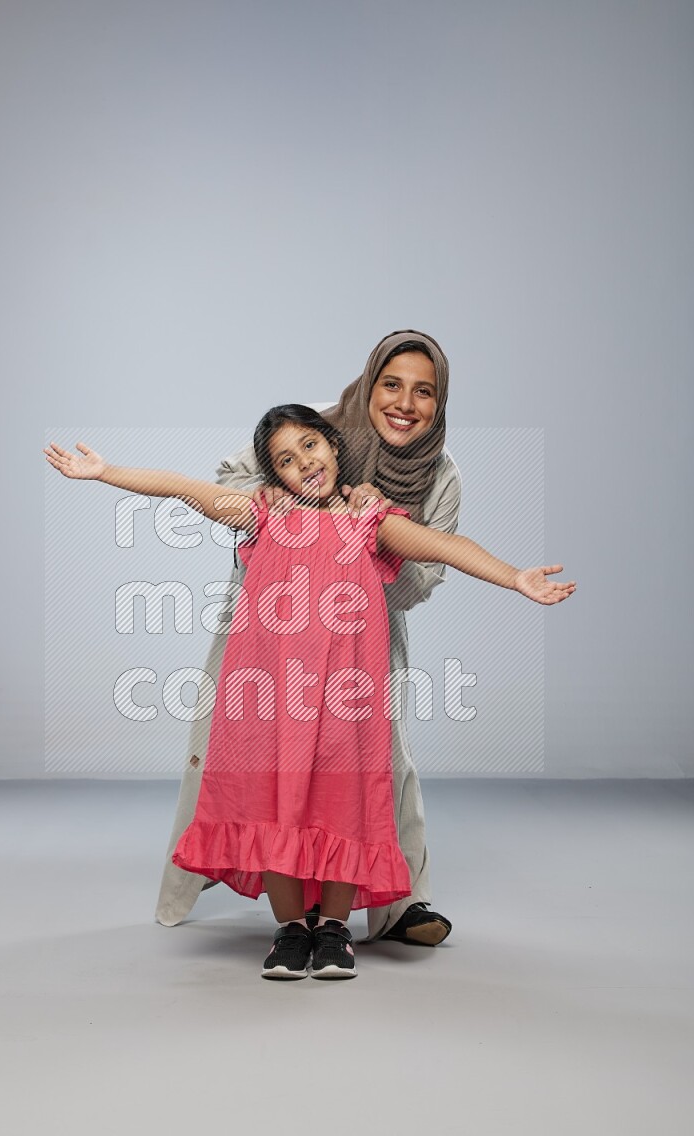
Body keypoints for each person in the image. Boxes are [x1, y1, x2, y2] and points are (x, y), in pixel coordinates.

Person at [43, 408, 574, 981]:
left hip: (346, 702)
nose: (304, 464)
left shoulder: (370, 520)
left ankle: (335, 930)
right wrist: (105, 472)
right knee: (270, 802)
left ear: (334, 447)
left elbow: (443, 546)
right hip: (267, 699)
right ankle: (292, 929)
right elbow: (181, 489)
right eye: (286, 461)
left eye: (311, 446)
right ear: (274, 477)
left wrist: (515, 576)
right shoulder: (264, 516)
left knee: (341, 804)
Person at [157, 330, 462, 948]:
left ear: (439, 402)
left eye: (423, 392)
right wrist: (275, 507)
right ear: (369, 385)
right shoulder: (322, 430)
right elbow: (228, 482)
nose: (405, 403)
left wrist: (362, 544)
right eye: (392, 385)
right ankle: (204, 884)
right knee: (238, 760)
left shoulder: (440, 474)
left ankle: (395, 905)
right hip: (270, 624)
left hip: (360, 631)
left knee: (375, 768)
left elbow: (423, 577)